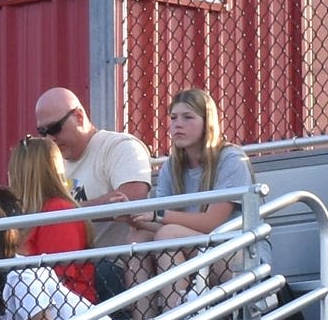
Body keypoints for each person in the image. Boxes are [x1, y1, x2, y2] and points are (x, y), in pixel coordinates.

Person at [32, 85, 153, 259]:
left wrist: (68, 213)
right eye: (43, 132)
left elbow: (133, 196)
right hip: (65, 265)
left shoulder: (119, 147)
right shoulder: (50, 162)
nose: (50, 138)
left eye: (54, 128)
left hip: (112, 264)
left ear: (79, 117)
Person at [149, 88, 251, 243]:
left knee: (168, 234)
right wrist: (133, 217)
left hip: (234, 248)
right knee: (138, 237)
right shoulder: (171, 166)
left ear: (207, 123)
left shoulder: (231, 159)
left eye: (188, 117)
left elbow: (212, 223)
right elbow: (164, 222)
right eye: (173, 118)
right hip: (194, 243)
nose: (178, 125)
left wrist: (158, 215)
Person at [6, 133, 98, 301]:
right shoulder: (25, 213)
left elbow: (56, 280)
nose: (9, 176)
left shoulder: (58, 211)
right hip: (31, 308)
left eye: (13, 169)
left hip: (64, 312)